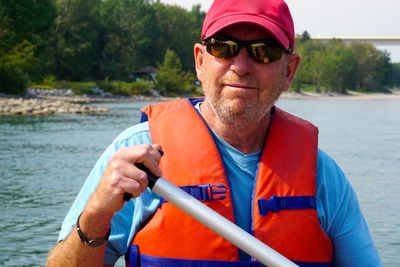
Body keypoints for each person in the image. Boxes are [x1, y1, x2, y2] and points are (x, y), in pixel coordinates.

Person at [47, 0, 382, 266]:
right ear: (200, 61)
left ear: (289, 71)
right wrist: (95, 216)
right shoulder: (136, 156)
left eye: (263, 51)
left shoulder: (324, 178)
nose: (240, 65)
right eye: (224, 48)